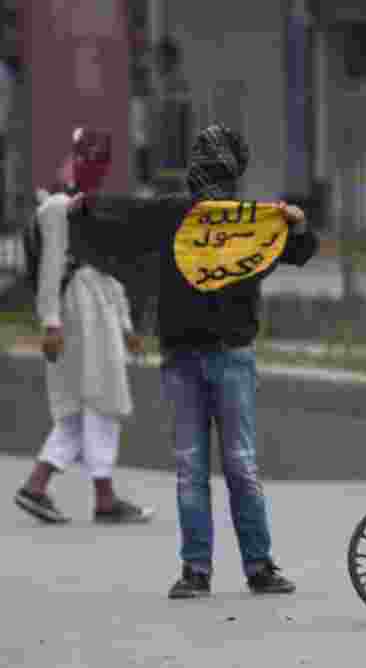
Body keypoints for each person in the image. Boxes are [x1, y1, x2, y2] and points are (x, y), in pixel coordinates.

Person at [68, 123, 319, 599]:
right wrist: (88, 209)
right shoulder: (178, 214)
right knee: (209, 467)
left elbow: (300, 249)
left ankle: (244, 566)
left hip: (217, 357)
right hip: (193, 358)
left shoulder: (247, 219)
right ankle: (208, 568)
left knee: (221, 467)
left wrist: (298, 224)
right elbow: (119, 217)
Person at [14, 128, 154, 525]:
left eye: (102, 157)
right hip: (79, 312)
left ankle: (37, 486)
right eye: (90, 155)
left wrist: (126, 323)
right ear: (76, 157)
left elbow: (111, 267)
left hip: (99, 309)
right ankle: (105, 498)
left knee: (82, 405)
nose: (97, 163)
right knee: (102, 398)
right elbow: (51, 269)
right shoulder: (60, 206)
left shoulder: (91, 205)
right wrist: (51, 322)